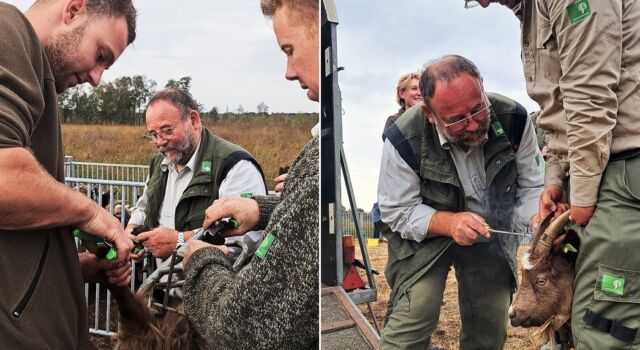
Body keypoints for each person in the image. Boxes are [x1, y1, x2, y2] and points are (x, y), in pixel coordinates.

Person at [471, 1, 640, 348]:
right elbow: (557, 109)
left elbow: (589, 92)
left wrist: (582, 191)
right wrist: (555, 178)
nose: (483, 3)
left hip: (620, 167)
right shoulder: (530, 11)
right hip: (598, 166)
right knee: (583, 316)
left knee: (605, 322)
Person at [378, 55, 544, 349]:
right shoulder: (402, 137)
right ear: (430, 114)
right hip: (424, 237)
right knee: (417, 309)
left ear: (482, 87)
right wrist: (449, 222)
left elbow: (532, 186)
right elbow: (397, 210)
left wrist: (537, 219)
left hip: (488, 234)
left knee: (491, 322)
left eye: (478, 110)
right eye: (456, 120)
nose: (472, 125)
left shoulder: (514, 120)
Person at [181, 0, 319, 348]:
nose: (287, 71)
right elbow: (307, 217)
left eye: (290, 49)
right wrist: (262, 210)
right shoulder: (326, 141)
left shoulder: (236, 162)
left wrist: (199, 259)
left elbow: (242, 328)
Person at [0, 0, 136, 347]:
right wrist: (89, 213)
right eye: (101, 55)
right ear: (74, 9)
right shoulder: (8, 29)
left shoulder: (40, 83)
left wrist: (76, 267)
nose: (96, 79)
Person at [126, 88, 267, 262]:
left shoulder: (235, 166)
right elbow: (144, 207)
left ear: (193, 121)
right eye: (153, 135)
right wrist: (132, 229)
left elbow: (246, 242)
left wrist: (180, 242)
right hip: (164, 284)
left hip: (213, 286)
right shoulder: (158, 165)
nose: (160, 142)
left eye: (167, 130)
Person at [382, 72, 422, 141]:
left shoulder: (433, 120)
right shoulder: (394, 121)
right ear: (402, 93)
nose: (419, 93)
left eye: (422, 89)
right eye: (414, 88)